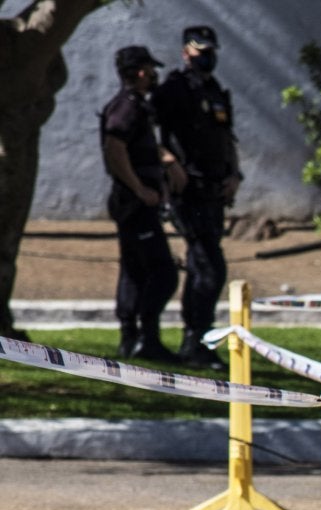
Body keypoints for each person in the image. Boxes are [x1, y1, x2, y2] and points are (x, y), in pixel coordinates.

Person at [151, 25, 239, 370]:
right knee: (208, 266)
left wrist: (234, 174)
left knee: (207, 266)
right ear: (185, 51)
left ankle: (196, 341)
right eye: (201, 50)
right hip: (188, 192)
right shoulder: (173, 89)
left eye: (211, 50)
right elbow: (148, 132)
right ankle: (196, 341)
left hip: (215, 191)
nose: (207, 57)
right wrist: (170, 163)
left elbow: (226, 136)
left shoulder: (215, 90)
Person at [101, 45, 180, 364]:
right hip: (134, 203)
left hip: (134, 202)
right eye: (150, 69)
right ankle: (146, 336)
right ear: (141, 71)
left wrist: (167, 161)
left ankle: (131, 337)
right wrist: (139, 188)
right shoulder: (127, 106)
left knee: (135, 271)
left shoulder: (135, 106)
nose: (154, 75)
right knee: (163, 273)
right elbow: (114, 147)